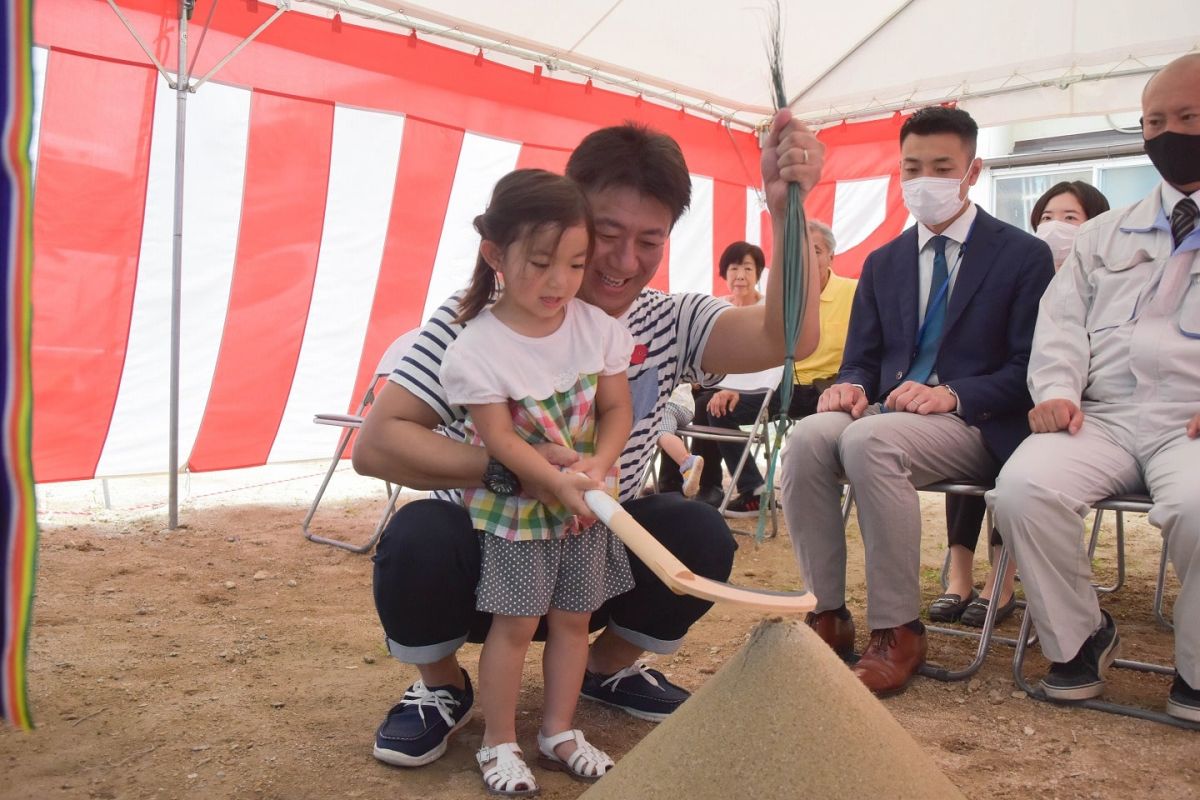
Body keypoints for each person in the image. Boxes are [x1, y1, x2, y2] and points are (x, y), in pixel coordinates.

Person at [354, 112, 825, 768]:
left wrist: (786, 210)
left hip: (591, 554)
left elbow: (792, 339)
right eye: (606, 236)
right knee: (416, 538)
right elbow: (375, 447)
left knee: (696, 532)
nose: (624, 263)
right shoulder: (475, 326)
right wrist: (511, 472)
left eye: (650, 242)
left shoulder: (671, 318)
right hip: (495, 552)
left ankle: (605, 670)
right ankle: (441, 688)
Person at [778, 105, 1054, 696]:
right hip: (890, 416)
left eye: (941, 166)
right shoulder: (884, 261)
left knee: (871, 440)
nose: (923, 180)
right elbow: (862, 358)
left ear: (973, 170)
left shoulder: (1022, 256)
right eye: (911, 167)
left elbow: (1032, 369)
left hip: (977, 424)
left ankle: (897, 629)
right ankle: (826, 613)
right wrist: (849, 384)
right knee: (806, 437)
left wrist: (952, 394)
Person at [988, 53, 1200, 721]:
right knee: (1022, 490)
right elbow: (1061, 324)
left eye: (1187, 117)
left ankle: (1196, 669)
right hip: (1100, 415)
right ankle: (1080, 638)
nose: (1168, 133)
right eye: (1153, 121)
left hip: (1189, 420)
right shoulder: (1104, 233)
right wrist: (1057, 391)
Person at [437, 169, 634, 793]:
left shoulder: (596, 328)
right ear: (496, 254)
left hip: (585, 502)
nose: (560, 283)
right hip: (523, 506)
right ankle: (498, 742)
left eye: (575, 265)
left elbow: (616, 411)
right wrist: (552, 477)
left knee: (574, 620)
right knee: (516, 624)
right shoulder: (475, 345)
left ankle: (558, 731)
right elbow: (496, 439)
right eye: (542, 262)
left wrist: (597, 467)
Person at [936, 179, 1111, 628]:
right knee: (983, 424)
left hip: (1081, 416)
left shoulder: (1109, 285)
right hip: (1012, 399)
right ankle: (959, 576)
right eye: (1046, 219)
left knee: (1012, 445)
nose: (1054, 228)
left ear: (1099, 226)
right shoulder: (1016, 276)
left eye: (1070, 218)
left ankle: (1002, 579)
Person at [666, 220, 856, 516]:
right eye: (799, 252)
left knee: (709, 403)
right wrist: (734, 389)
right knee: (715, 406)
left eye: (814, 250)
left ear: (831, 255)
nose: (805, 258)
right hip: (782, 386)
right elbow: (768, 358)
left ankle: (730, 487)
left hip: (829, 389)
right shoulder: (784, 299)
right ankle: (749, 490)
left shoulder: (853, 292)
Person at [654, 383, 705, 497]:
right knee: (664, 431)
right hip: (685, 405)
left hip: (669, 403)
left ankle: (687, 463)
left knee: (662, 432)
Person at [714, 241, 766, 306]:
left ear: (758, 273)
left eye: (748, 269)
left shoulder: (769, 307)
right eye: (734, 268)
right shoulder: (718, 307)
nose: (740, 276)